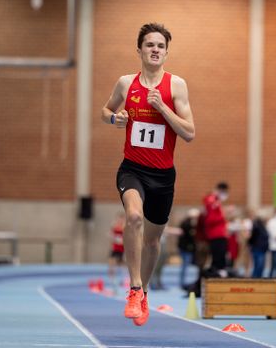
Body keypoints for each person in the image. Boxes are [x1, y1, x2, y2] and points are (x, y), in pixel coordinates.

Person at [101, 23, 195, 326]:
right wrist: (115, 118)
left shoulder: (176, 86)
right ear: (139, 49)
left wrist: (162, 108)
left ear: (166, 52)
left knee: (153, 242)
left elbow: (190, 132)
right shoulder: (126, 83)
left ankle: (145, 291)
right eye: (150, 45)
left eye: (160, 46)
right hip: (132, 170)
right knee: (134, 217)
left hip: (163, 176)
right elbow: (105, 110)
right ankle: (134, 288)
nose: (155, 50)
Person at [203, 182, 230, 272]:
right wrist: (223, 215)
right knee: (217, 260)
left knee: (222, 258)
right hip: (216, 235)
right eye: (224, 192)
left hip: (221, 234)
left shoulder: (218, 203)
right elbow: (210, 220)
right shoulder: (212, 200)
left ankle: (220, 273)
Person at [178, 208, 199, 289]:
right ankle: (182, 283)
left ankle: (192, 282)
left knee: (191, 266)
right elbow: (189, 235)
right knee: (185, 265)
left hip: (191, 248)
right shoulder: (186, 223)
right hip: (185, 248)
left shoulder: (194, 224)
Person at [248, 209, 269, 278]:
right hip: (257, 248)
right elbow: (252, 236)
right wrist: (251, 244)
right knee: (258, 265)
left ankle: (258, 278)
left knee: (261, 266)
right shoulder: (256, 225)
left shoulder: (263, 226)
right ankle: (255, 279)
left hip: (262, 248)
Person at [108, 213, 125, 292]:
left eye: (121, 219)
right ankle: (113, 281)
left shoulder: (125, 228)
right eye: (118, 219)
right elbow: (110, 235)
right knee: (111, 265)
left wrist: (122, 241)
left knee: (123, 265)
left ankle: (123, 280)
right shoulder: (115, 227)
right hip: (115, 249)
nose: (120, 221)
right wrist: (114, 239)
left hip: (122, 250)